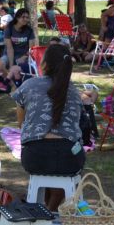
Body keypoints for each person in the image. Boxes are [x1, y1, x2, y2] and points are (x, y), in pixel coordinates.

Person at [12, 44, 85, 210]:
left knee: (49, 166)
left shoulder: (28, 86)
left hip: (35, 156)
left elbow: (21, 124)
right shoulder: (74, 92)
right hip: (70, 157)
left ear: (44, 64)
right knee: (60, 168)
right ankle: (49, 210)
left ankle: (45, 212)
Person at [0, 8, 37, 83]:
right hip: (9, 54)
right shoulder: (9, 28)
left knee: (21, 68)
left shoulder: (29, 30)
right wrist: (11, 64)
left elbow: (31, 49)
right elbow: (9, 49)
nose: (25, 19)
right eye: (23, 17)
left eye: (27, 17)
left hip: (23, 55)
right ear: (17, 17)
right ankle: (12, 84)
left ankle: (14, 84)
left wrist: (24, 56)